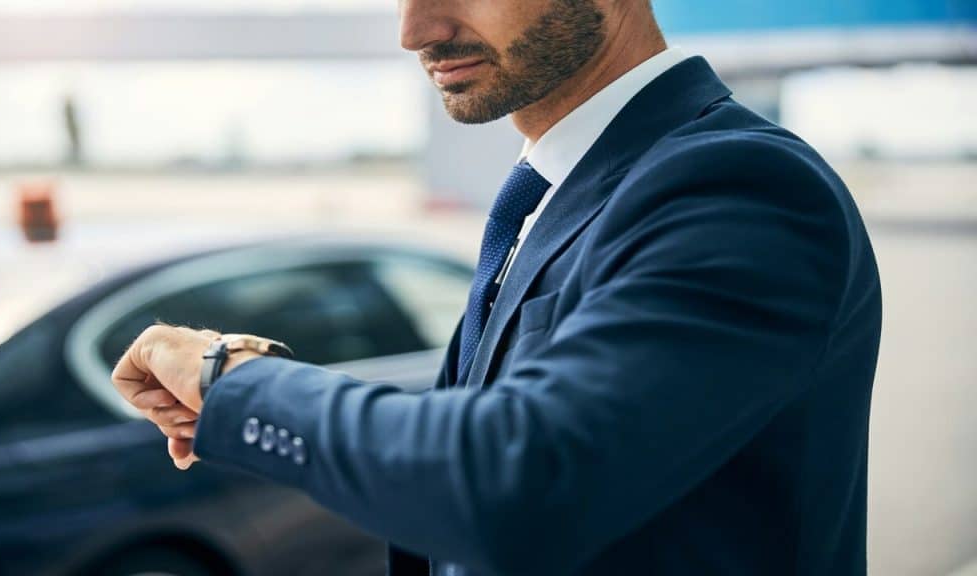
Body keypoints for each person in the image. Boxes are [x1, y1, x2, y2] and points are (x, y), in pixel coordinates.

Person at [111, 1, 882, 574]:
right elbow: (490, 423)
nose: (416, 30)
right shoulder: (567, 189)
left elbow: (519, 474)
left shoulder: (740, 187)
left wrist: (235, 385)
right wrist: (256, 386)